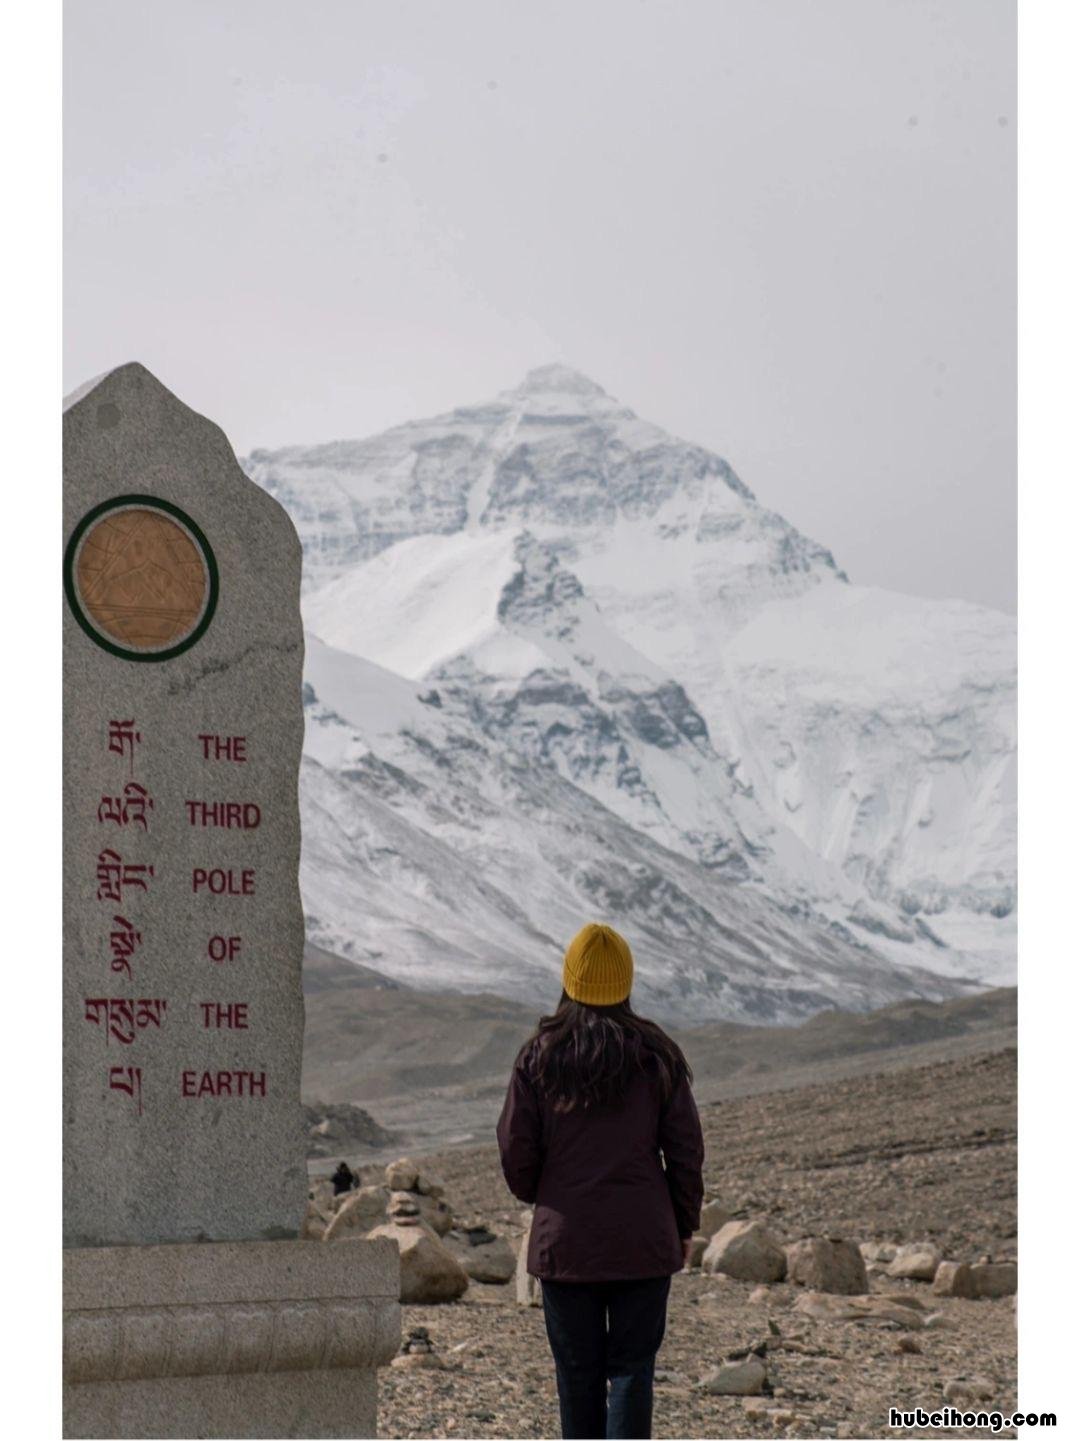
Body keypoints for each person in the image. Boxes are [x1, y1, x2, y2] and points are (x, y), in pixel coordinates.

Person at [496, 922, 705, 1440]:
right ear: (626, 984)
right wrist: (683, 1224)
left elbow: (515, 1149)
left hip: (566, 1244)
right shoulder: (657, 1055)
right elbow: (685, 1153)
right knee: (633, 1371)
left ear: (569, 981)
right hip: (643, 1240)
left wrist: (547, 1199)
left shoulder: (538, 1056)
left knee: (577, 1376)